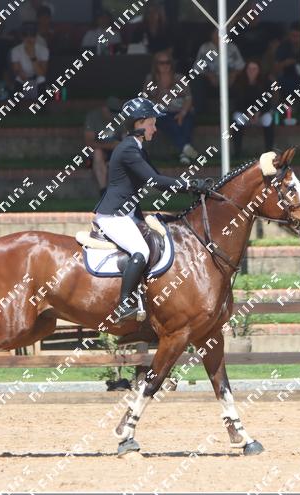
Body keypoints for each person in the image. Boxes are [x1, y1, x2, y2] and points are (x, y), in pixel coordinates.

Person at [92, 97, 206, 323]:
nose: (155, 128)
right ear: (139, 123)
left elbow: (160, 181)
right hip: (114, 216)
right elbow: (156, 181)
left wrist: (191, 187)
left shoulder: (137, 148)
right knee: (141, 251)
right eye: (152, 123)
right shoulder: (128, 149)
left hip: (128, 214)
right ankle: (124, 305)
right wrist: (191, 185)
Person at [142, 51, 198, 165]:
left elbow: (188, 98)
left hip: (181, 110)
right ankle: (185, 148)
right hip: (161, 112)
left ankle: (184, 152)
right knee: (167, 121)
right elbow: (145, 99)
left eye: (167, 62)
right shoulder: (150, 79)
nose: (165, 65)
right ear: (156, 65)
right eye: (161, 63)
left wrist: (182, 113)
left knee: (186, 121)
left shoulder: (180, 78)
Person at [192, 29, 245, 114]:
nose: (219, 36)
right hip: (210, 80)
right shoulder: (205, 48)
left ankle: (239, 112)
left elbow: (241, 66)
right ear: (212, 35)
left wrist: (233, 74)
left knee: (242, 81)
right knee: (197, 81)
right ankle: (200, 112)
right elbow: (197, 68)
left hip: (229, 79)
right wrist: (209, 75)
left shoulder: (232, 47)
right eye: (217, 33)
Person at [230, 60, 274, 157]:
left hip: (260, 114)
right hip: (244, 113)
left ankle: (269, 152)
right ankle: (237, 152)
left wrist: (258, 113)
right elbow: (237, 102)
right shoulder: (239, 82)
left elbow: (267, 102)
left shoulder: (266, 82)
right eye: (249, 69)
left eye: (254, 69)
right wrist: (248, 113)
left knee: (268, 119)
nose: (251, 71)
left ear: (259, 70)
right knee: (237, 119)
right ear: (245, 70)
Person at [84, 96, 124, 197]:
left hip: (115, 151)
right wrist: (109, 146)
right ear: (105, 109)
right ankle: (103, 190)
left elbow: (126, 137)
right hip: (97, 152)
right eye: (111, 113)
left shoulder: (120, 118)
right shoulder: (93, 117)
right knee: (98, 153)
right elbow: (89, 142)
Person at [10, 23, 49, 98]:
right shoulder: (16, 50)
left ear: (36, 36)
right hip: (24, 81)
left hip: (36, 81)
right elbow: (17, 70)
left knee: (41, 79)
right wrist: (20, 73)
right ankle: (17, 104)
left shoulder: (43, 50)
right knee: (18, 79)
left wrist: (32, 56)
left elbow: (42, 73)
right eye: (26, 35)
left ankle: (41, 104)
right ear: (22, 37)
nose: (29, 38)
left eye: (32, 35)